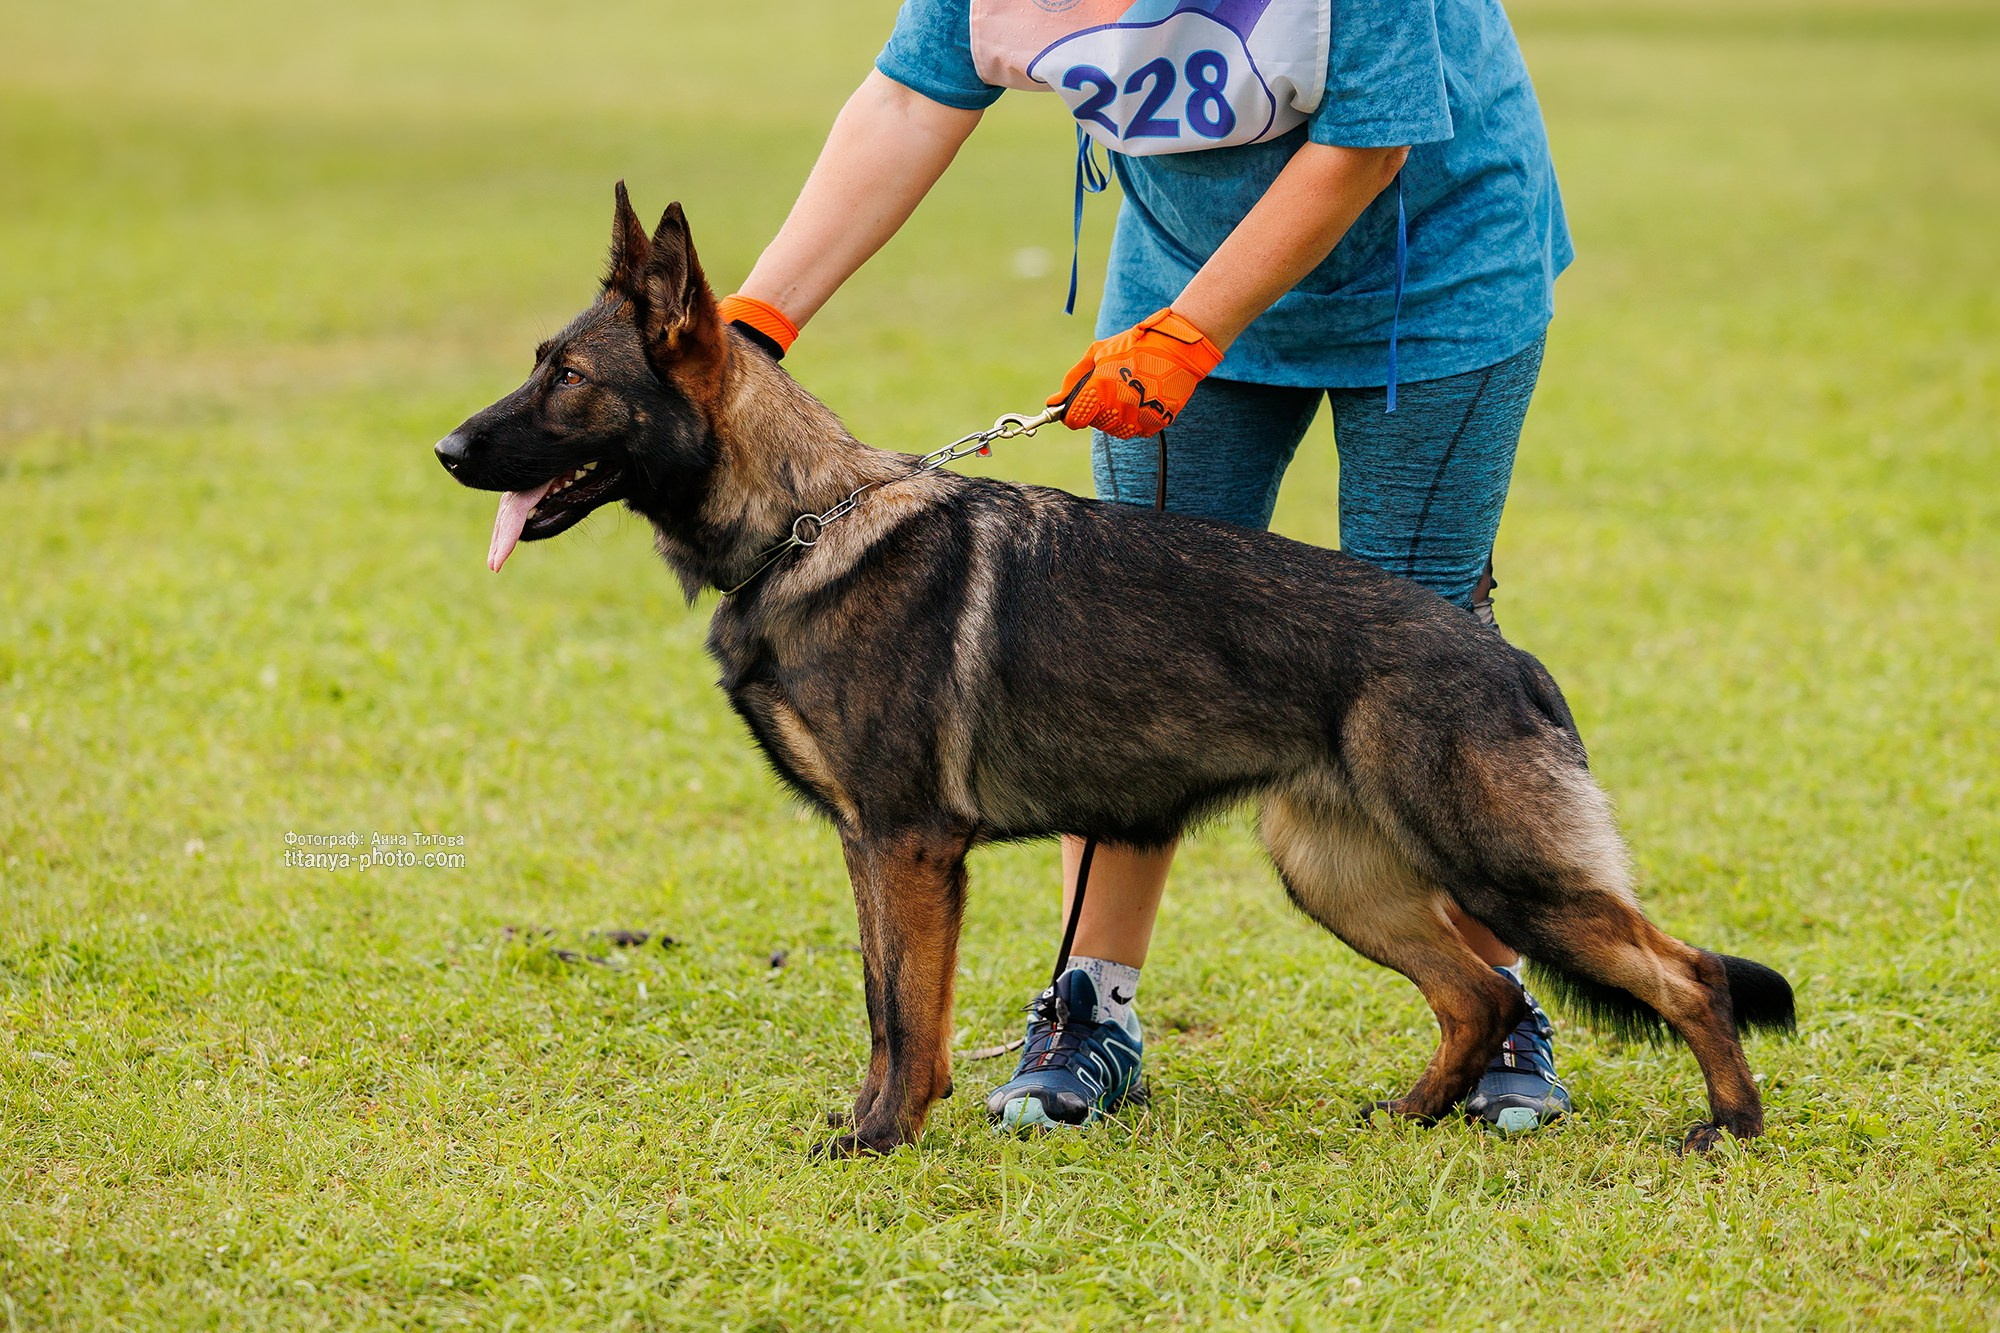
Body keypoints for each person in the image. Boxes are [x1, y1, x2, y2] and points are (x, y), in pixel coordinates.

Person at [718, 0, 1573, 1136]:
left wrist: (1194, 332)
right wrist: (752, 326)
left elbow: (1366, 144)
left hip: (1437, 281)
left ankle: (1501, 1006)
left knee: (1421, 643)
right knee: (1119, 642)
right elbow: (910, 99)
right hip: (1178, 270)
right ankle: (1093, 1009)